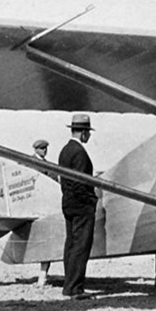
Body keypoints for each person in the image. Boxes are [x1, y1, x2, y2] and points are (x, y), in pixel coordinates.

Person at [58, 114, 98, 299]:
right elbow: (80, 183)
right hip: (81, 206)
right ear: (83, 133)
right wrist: (90, 201)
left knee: (71, 244)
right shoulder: (80, 153)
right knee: (81, 245)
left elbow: (66, 181)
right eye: (88, 133)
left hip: (68, 203)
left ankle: (69, 285)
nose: (89, 136)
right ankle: (75, 288)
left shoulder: (65, 150)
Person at [32, 138, 54, 287]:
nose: (44, 150)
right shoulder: (29, 163)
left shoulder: (48, 164)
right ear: (36, 150)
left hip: (48, 206)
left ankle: (43, 276)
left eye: (45, 148)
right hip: (37, 206)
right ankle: (42, 276)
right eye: (41, 148)